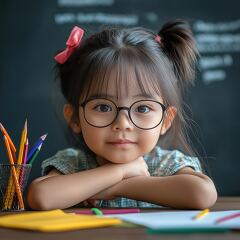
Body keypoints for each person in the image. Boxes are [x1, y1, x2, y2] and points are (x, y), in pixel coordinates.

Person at [27, 20, 217, 210]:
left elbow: (203, 194)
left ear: (165, 120)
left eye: (142, 108)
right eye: (103, 107)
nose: (123, 123)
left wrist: (119, 187)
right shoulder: (73, 163)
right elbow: (41, 197)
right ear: (75, 118)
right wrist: (119, 171)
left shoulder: (166, 164)